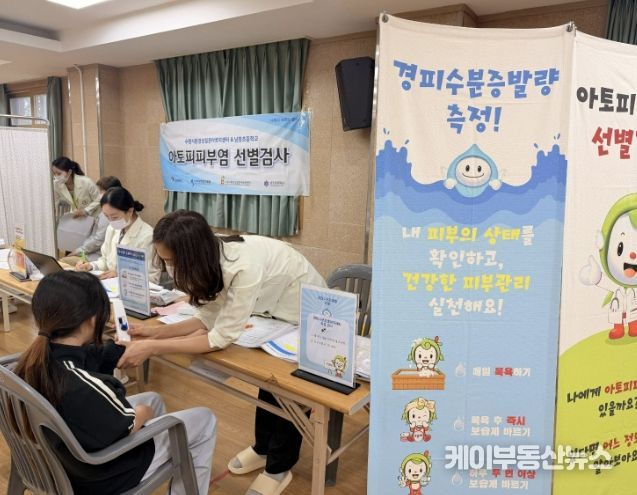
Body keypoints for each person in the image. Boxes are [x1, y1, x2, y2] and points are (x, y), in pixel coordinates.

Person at [117, 209, 327, 495]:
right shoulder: (209, 256)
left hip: (304, 311)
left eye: (171, 261)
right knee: (268, 381)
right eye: (164, 260)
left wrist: (153, 347)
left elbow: (219, 337)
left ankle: (279, 466)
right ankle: (263, 448)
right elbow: (207, 317)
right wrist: (155, 332)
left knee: (288, 388)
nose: (168, 268)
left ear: (190, 255)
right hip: (273, 313)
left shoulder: (243, 266)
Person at [14, 271, 216, 495]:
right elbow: (129, 423)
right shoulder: (81, 387)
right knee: (204, 419)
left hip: (62, 458)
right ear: (92, 320)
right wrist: (143, 413)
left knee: (154, 398)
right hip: (100, 476)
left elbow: (100, 354)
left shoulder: (35, 362)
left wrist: (166, 340)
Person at [75, 187, 161, 283]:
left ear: (130, 211)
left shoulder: (147, 236)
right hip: (111, 284)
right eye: (106, 216)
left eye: (114, 217)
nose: (111, 221)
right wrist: (91, 266)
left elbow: (152, 278)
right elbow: (105, 260)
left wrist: (120, 274)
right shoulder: (112, 229)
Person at [60, 176, 122, 266]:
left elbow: (98, 240)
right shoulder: (104, 210)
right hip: (94, 253)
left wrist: (79, 251)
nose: (98, 195)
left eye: (100, 192)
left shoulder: (108, 214)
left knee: (62, 262)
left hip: (95, 256)